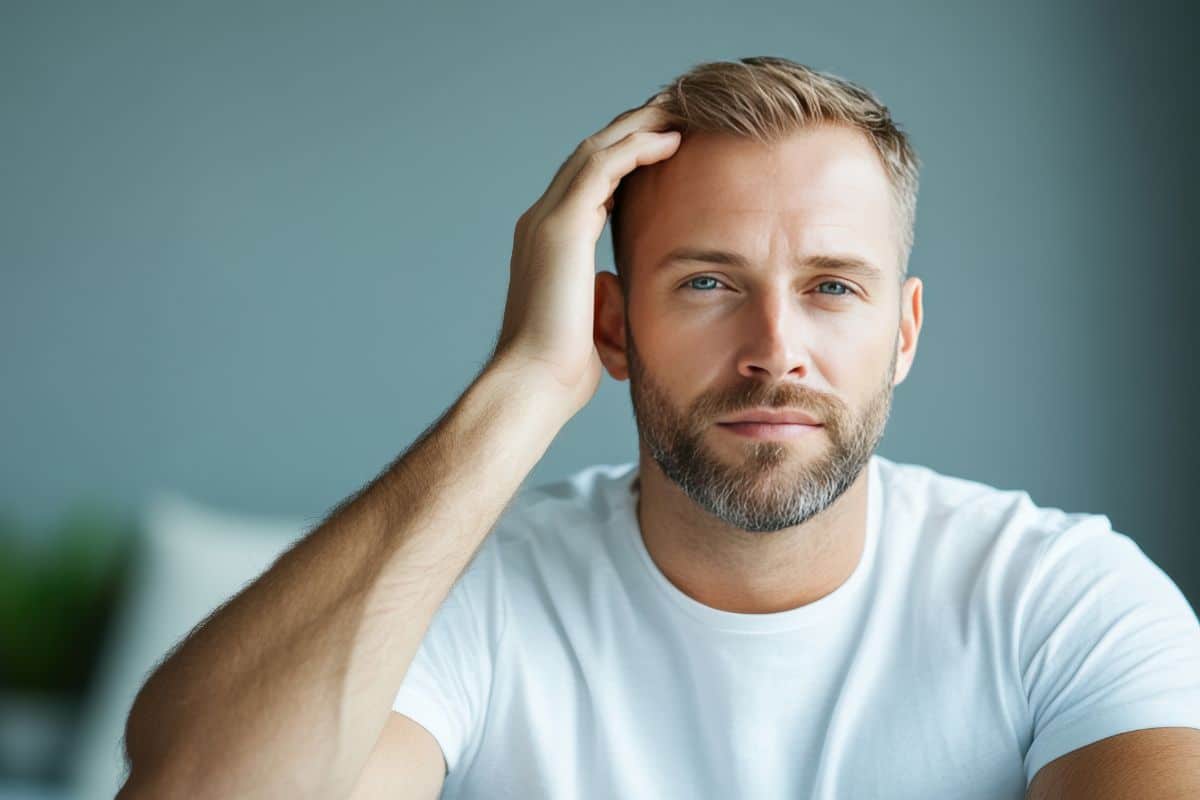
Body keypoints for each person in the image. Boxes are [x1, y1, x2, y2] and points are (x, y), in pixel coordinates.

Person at [116, 57, 1200, 799]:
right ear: (612, 322)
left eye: (831, 286)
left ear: (904, 331)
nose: (775, 346)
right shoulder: (470, 596)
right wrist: (526, 383)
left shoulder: (1067, 599)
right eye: (708, 281)